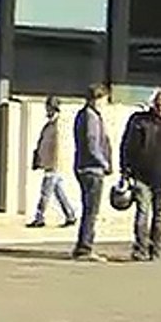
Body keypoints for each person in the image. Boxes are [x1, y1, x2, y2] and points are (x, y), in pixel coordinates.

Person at [118, 88, 161, 262]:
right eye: (158, 105)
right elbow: (127, 145)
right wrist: (125, 170)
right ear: (152, 104)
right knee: (142, 213)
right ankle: (140, 249)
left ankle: (155, 249)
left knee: (159, 215)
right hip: (141, 176)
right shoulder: (139, 121)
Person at [71, 83, 114, 261]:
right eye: (103, 100)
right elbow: (92, 144)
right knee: (91, 211)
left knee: (88, 209)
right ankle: (85, 247)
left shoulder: (82, 115)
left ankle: (83, 245)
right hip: (92, 169)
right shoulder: (91, 117)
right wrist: (104, 163)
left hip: (83, 167)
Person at [26, 96, 78, 229]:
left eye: (48, 107)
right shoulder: (50, 124)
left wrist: (53, 163)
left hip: (53, 164)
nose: (47, 110)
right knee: (59, 191)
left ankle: (39, 217)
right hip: (49, 163)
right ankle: (70, 214)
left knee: (45, 192)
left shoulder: (59, 125)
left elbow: (58, 146)